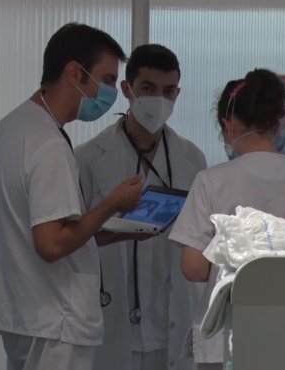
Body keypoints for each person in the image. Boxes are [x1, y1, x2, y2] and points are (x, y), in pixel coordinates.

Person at [0, 23, 145, 370]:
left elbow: (37, 227)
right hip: (56, 323)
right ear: (75, 73)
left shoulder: (12, 128)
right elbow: (51, 244)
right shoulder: (48, 145)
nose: (112, 93)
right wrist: (112, 204)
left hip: (27, 314)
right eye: (107, 80)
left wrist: (116, 231)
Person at [169, 68, 285, 369]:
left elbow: (193, 267)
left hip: (228, 336)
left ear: (228, 125)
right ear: (277, 122)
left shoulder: (211, 181)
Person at [75, 44, 207, 370]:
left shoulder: (192, 159)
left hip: (171, 321)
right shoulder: (88, 159)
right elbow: (73, 239)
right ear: (127, 89)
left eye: (168, 91)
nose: (159, 99)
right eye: (148, 89)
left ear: (177, 94)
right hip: (110, 318)